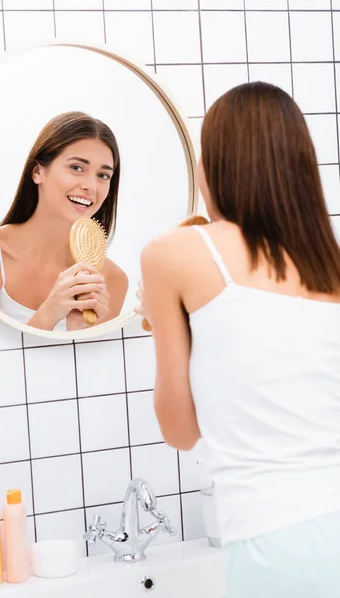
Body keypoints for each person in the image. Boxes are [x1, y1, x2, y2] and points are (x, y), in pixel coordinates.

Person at [136, 82, 340, 597]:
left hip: (277, 534)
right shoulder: (329, 261)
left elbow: (181, 431)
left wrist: (165, 326)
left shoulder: (177, 252)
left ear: (216, 165)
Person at [0, 112, 128, 331]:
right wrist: (49, 313)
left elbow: (86, 363)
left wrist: (78, 329)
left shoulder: (112, 280)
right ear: (38, 172)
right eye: (76, 168)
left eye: (103, 175)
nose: (91, 186)